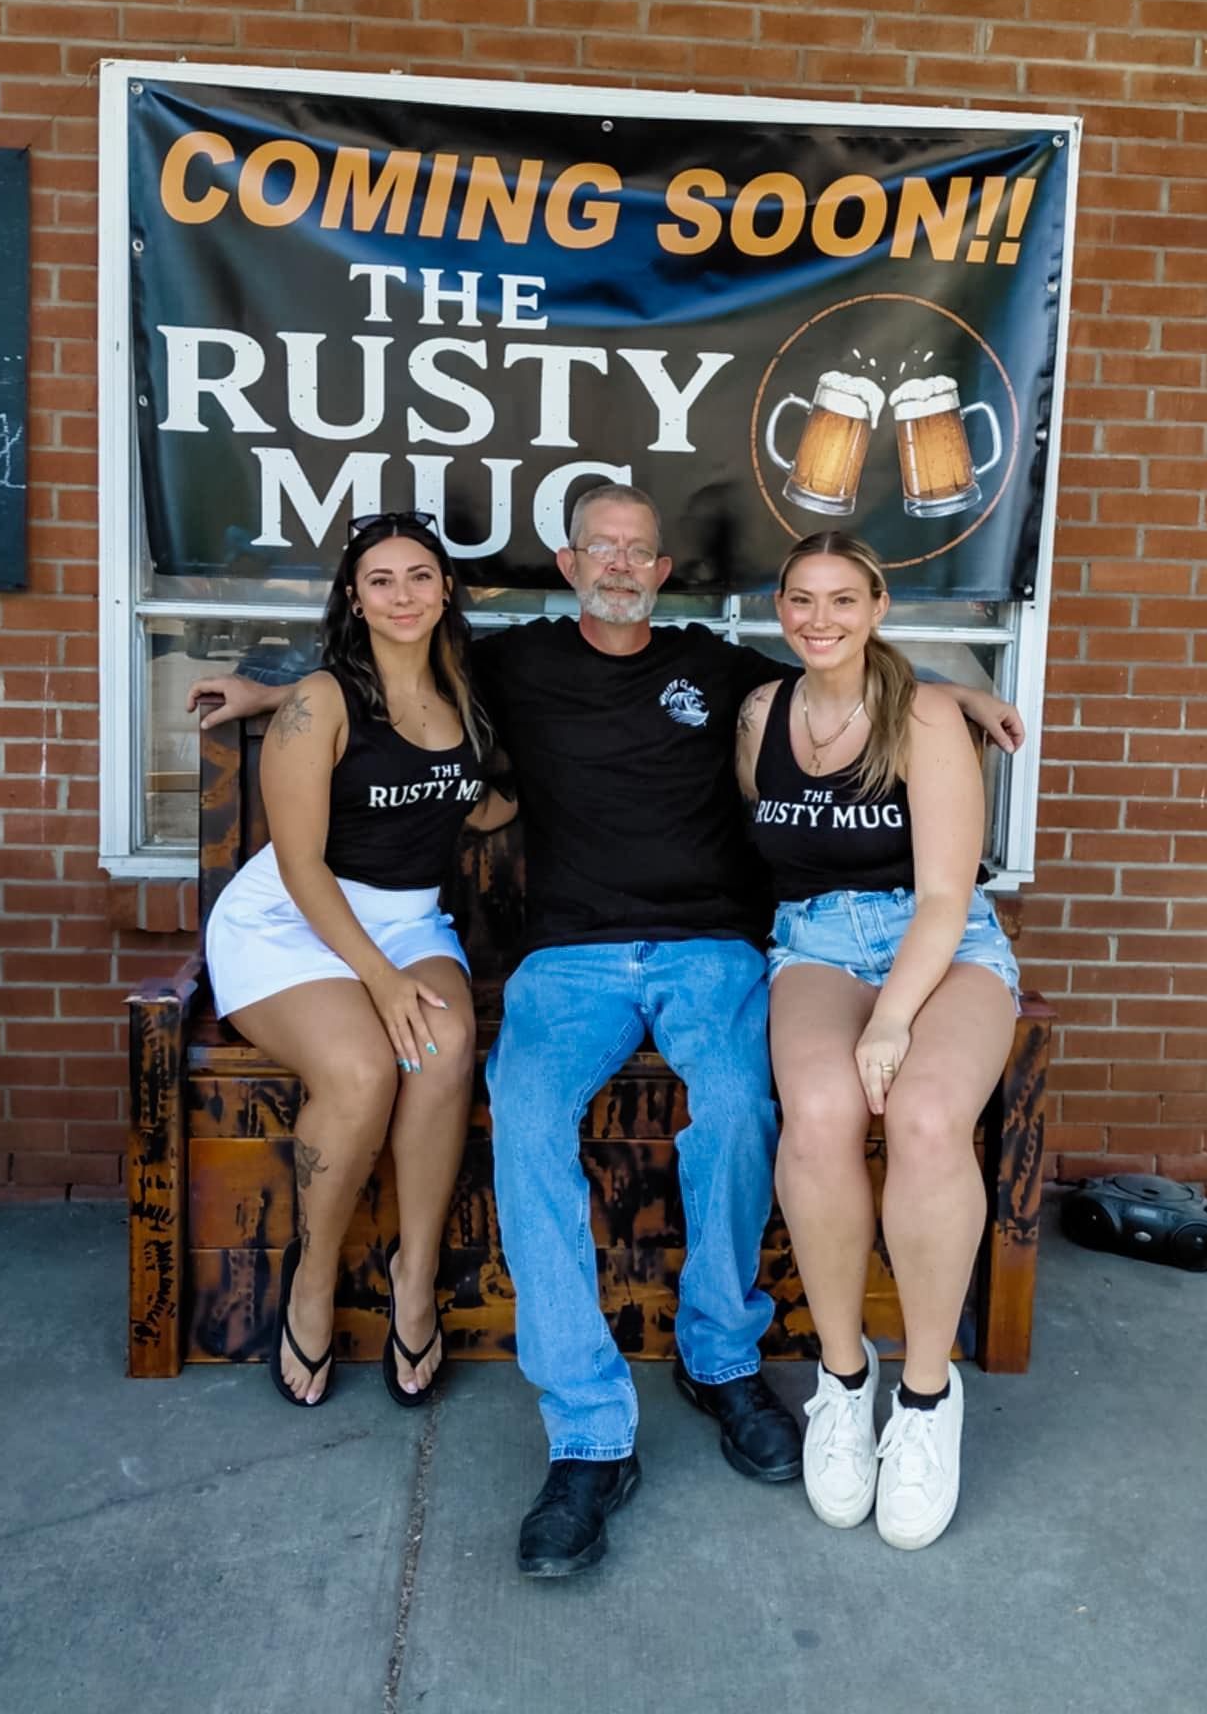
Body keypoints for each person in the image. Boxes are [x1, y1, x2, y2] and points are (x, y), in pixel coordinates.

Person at [191, 487, 1021, 1575]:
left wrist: (954, 691)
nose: (620, 564)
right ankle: (588, 1427)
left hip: (713, 949)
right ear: (567, 558)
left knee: (739, 1103)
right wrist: (264, 691)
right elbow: (385, 671)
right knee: (526, 1107)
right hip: (567, 956)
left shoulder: (721, 669)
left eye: (640, 548)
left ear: (663, 567)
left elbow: (847, 673)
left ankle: (720, 1357)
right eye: (602, 547)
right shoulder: (512, 663)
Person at [735, 529, 1020, 1551]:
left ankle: (929, 1397)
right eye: (801, 599)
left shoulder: (927, 712)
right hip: (814, 940)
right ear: (781, 608)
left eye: (842, 600)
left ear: (877, 606)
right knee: (818, 1110)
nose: (820, 618)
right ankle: (845, 1382)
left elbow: (948, 892)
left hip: (940, 945)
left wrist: (895, 1016)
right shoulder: (764, 710)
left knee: (930, 1114)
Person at [203, 512, 514, 1411]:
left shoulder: (470, 689)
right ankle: (312, 1280)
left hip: (411, 919)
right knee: (363, 1066)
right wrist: (377, 980)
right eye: (381, 580)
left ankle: (413, 1277)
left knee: (446, 1050)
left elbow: (475, 797)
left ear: (445, 589)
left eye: (420, 576)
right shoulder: (323, 700)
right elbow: (302, 866)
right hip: (293, 921)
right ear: (355, 598)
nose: (403, 595)